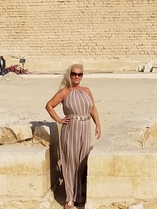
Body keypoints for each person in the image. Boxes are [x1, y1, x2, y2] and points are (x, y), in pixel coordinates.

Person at [45, 64, 101, 209]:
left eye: (80, 74)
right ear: (69, 75)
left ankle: (80, 194)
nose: (77, 77)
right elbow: (49, 105)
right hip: (71, 128)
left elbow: (93, 108)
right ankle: (70, 197)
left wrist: (98, 125)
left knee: (82, 161)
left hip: (85, 127)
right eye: (74, 74)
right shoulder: (64, 92)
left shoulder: (87, 91)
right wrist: (59, 120)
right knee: (70, 161)